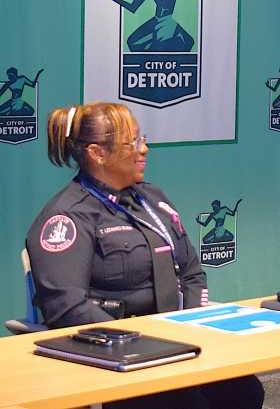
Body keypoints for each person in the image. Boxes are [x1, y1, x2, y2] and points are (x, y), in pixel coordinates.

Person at [26, 102, 264, 409]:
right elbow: (66, 308)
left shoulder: (152, 199)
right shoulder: (66, 217)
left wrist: (195, 325)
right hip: (118, 353)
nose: (145, 148)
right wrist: (144, 343)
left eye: (142, 138)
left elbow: (191, 272)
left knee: (244, 391)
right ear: (99, 154)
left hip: (178, 342)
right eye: (134, 142)